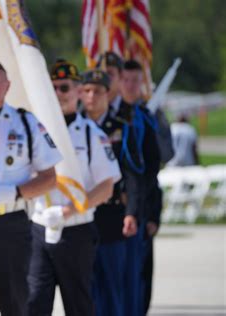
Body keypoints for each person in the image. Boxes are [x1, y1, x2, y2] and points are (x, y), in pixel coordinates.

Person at [0, 53, 63, 316]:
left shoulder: (25, 122)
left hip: (11, 223)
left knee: (16, 299)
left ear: (8, 85)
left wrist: (15, 192)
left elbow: (49, 177)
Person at [26, 60, 121, 316]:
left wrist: (70, 210)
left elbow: (106, 187)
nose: (59, 94)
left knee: (78, 304)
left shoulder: (92, 134)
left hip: (76, 230)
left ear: (78, 91)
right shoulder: (34, 130)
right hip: (39, 227)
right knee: (34, 302)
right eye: (53, 88)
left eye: (65, 88)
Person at [81, 69, 142, 316]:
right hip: (81, 215)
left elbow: (132, 174)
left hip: (111, 216)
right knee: (84, 287)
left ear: (108, 93)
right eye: (86, 91)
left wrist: (131, 213)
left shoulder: (120, 128)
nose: (91, 96)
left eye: (97, 91)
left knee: (112, 285)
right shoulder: (73, 126)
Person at [119, 59, 161, 316]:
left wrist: (154, 213)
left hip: (143, 209)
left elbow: (154, 169)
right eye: (127, 80)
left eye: (136, 80)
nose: (132, 86)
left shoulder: (146, 117)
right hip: (116, 209)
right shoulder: (112, 116)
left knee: (140, 277)